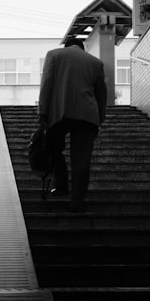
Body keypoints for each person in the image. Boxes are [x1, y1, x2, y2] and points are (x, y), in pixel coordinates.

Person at [37, 36, 107, 213]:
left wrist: (42, 113)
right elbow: (101, 94)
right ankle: (77, 201)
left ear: (66, 46)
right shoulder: (95, 62)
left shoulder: (53, 55)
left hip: (59, 112)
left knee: (54, 150)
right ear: (82, 48)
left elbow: (46, 85)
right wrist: (100, 118)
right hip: (87, 115)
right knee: (81, 159)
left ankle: (61, 186)